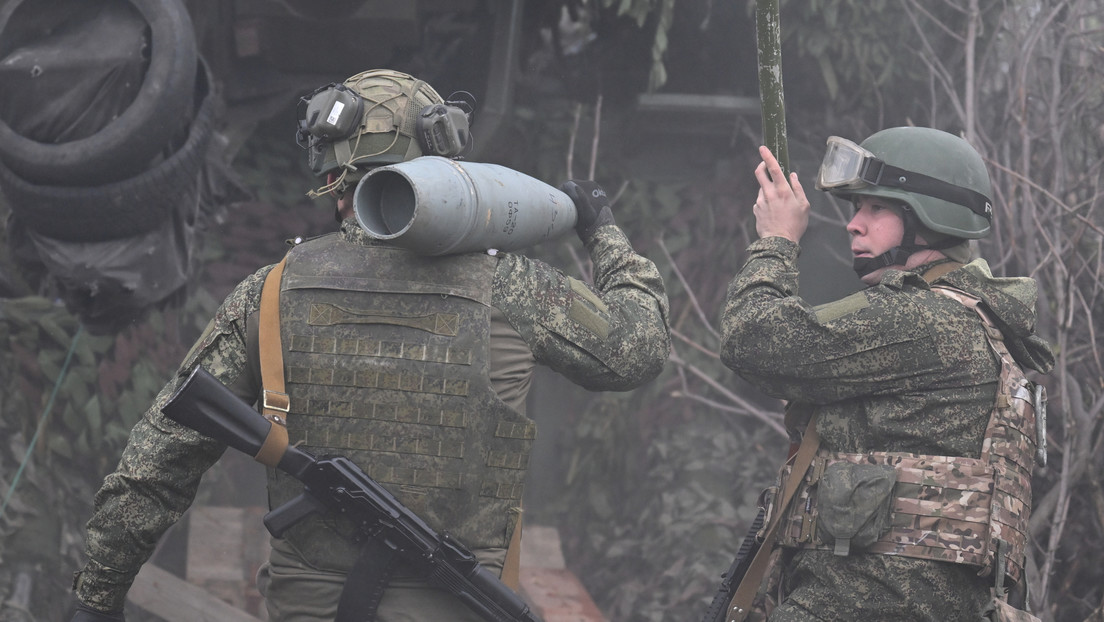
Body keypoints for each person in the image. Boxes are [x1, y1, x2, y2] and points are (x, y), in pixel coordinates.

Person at [69, 69, 671, 621]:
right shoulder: (514, 286)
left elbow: (161, 457)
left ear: (333, 175)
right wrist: (604, 234)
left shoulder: (273, 290)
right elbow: (637, 348)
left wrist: (96, 597)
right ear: (447, 165)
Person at [718, 127, 1053, 621]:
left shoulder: (926, 321)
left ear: (928, 220)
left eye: (876, 208)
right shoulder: (970, 320)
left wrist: (776, 242)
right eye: (858, 208)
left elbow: (753, 342)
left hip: (862, 604)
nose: (854, 225)